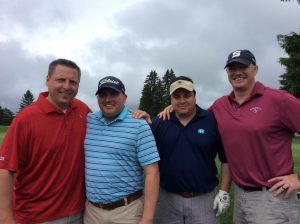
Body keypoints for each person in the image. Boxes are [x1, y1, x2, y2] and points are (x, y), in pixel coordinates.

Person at [160, 50, 300, 224]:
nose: (237, 72)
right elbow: (195, 116)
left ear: (255, 69)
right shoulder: (221, 105)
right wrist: (174, 107)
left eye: (243, 66)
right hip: (241, 196)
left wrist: (298, 177)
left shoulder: (278, 99)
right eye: (232, 68)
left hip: (274, 196)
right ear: (227, 73)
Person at [0, 59, 91, 224]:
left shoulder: (82, 110)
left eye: (73, 82)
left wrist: (134, 116)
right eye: (60, 80)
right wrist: (5, 217)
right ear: (47, 80)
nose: (67, 86)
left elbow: (109, 120)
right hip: (37, 217)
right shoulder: (26, 118)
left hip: (79, 213)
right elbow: (6, 170)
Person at [151, 76, 231, 224]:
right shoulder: (159, 123)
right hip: (167, 199)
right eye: (177, 96)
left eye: (187, 95)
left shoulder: (212, 121)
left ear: (195, 96)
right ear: (171, 99)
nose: (182, 101)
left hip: (204, 199)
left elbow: (226, 159)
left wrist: (224, 191)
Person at [84, 76, 160, 224]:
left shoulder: (139, 125)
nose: (108, 99)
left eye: (113, 94)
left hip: (127, 212)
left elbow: (152, 172)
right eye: (103, 95)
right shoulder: (89, 121)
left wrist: (147, 218)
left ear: (124, 98)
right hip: (92, 213)